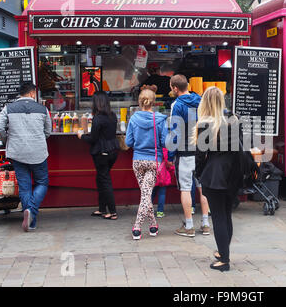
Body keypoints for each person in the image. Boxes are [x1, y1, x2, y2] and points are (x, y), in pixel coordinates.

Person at [193, 86, 242, 272]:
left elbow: (200, 155)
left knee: (219, 217)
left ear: (205, 102)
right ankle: (223, 252)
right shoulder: (234, 120)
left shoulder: (206, 124)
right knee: (226, 215)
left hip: (214, 176)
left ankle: (224, 260)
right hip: (232, 174)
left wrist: (199, 174)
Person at [0, 82, 51, 232]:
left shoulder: (8, 108)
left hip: (17, 153)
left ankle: (31, 219)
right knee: (42, 183)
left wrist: (7, 140)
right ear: (33, 93)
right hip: (38, 153)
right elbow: (48, 131)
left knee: (24, 187)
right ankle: (32, 213)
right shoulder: (43, 109)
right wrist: (39, 140)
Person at [167, 74, 210, 237]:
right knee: (202, 187)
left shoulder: (177, 105)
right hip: (201, 150)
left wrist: (170, 156)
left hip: (185, 152)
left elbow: (175, 132)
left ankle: (189, 226)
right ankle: (205, 223)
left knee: (185, 188)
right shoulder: (200, 101)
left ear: (175, 88)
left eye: (171, 87)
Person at [126, 88, 168, 240]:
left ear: (139, 102)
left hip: (137, 160)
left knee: (145, 194)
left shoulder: (133, 119)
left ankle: (153, 225)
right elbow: (165, 142)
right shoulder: (160, 120)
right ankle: (137, 227)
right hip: (153, 161)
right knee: (146, 194)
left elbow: (128, 142)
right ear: (154, 102)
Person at [78, 91, 120, 220]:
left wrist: (82, 136)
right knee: (101, 179)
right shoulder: (113, 116)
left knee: (105, 180)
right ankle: (102, 209)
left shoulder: (98, 118)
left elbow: (93, 138)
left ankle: (112, 212)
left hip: (102, 153)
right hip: (113, 150)